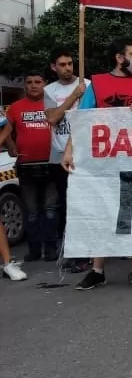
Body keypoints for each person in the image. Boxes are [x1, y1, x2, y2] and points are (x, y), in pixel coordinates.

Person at [63, 37, 132, 290]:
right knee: (103, 211)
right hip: (104, 161)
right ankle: (97, 269)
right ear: (119, 58)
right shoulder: (97, 84)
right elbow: (82, 121)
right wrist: (69, 150)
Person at [0, 72, 57, 262]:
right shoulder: (16, 108)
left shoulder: (54, 104)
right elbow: (7, 130)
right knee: (31, 211)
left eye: (38, 82)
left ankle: (51, 249)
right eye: (29, 82)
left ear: (45, 84)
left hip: (51, 165)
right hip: (26, 166)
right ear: (25, 85)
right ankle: (34, 250)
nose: (33, 85)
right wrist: (11, 146)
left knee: (50, 209)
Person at [44, 47, 91, 273]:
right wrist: (74, 96)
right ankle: (71, 251)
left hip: (86, 154)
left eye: (70, 63)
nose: (67, 68)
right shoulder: (50, 90)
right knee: (67, 206)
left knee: (88, 204)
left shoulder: (89, 85)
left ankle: (90, 252)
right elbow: (52, 118)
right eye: (62, 64)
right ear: (54, 67)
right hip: (59, 156)